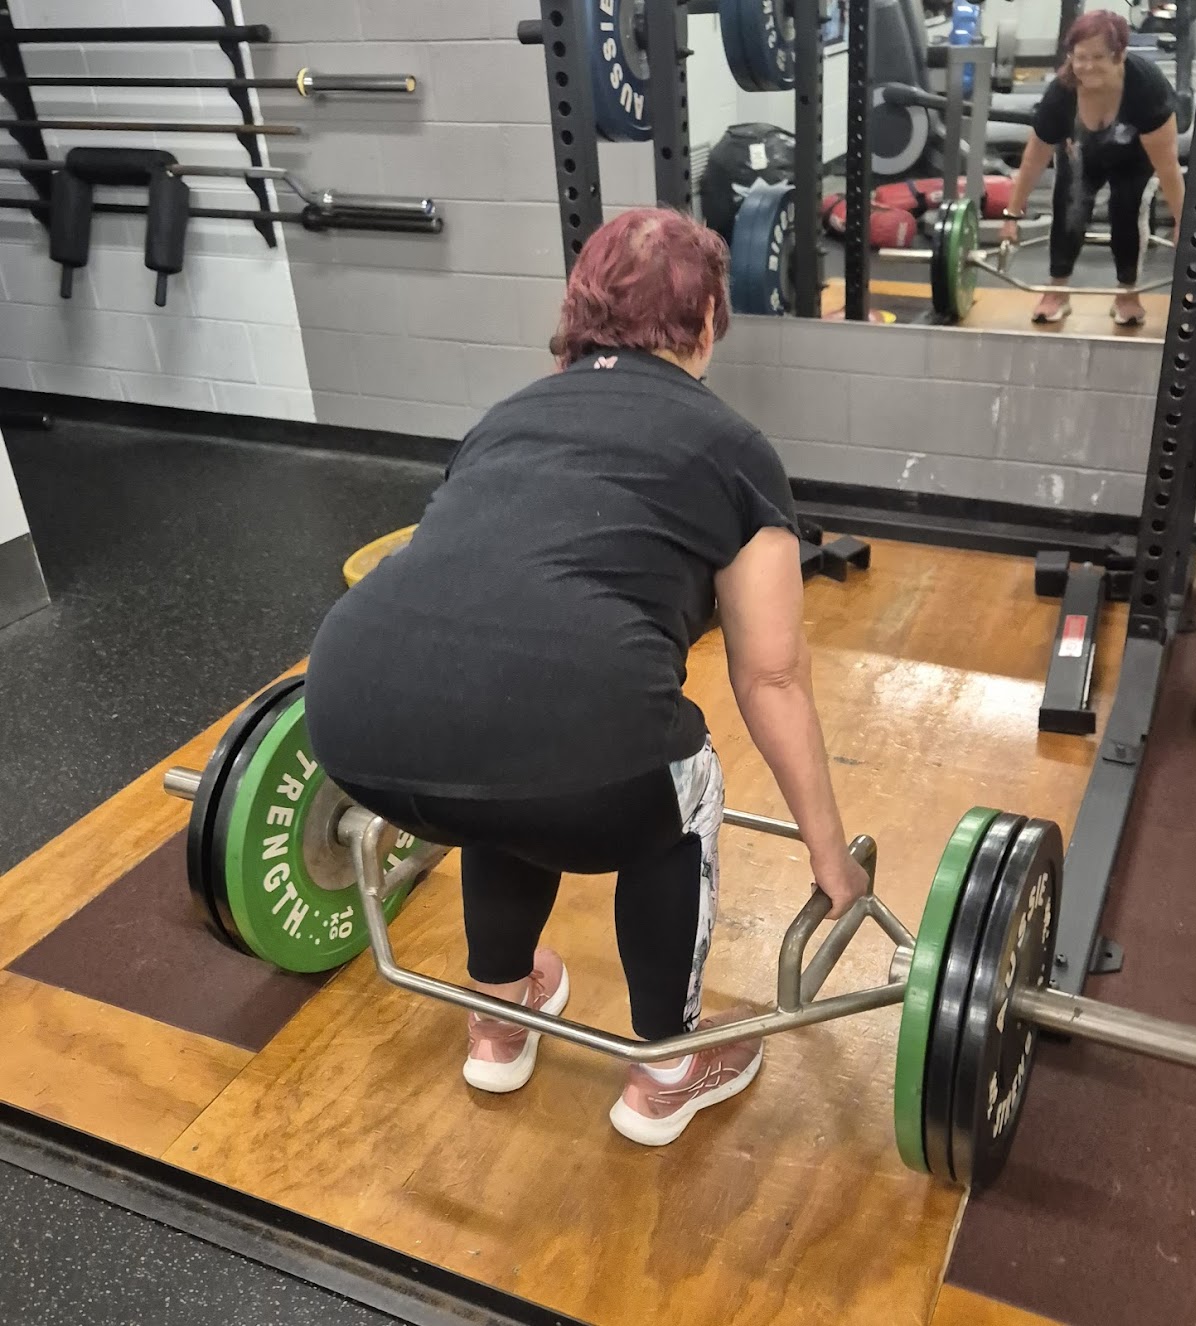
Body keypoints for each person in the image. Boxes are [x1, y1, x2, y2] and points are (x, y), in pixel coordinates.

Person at [303, 207, 868, 1147]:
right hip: (569, 751)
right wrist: (830, 855)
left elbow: (471, 596)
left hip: (351, 715)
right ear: (710, 319)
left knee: (505, 739)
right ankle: (668, 1068)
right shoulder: (733, 448)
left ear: (578, 314)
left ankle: (500, 1015)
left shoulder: (502, 419)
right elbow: (770, 677)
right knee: (665, 776)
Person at [999, 10, 1184, 327]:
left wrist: (1184, 224)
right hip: (1082, 150)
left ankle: (1128, 294)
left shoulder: (1146, 89)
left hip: (1135, 155)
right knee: (1070, 206)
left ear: (1121, 54)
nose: (1087, 66)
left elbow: (1167, 166)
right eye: (1080, 57)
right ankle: (1056, 291)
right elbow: (1034, 158)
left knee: (1126, 208)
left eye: (1099, 57)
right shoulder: (1062, 93)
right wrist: (1012, 215)